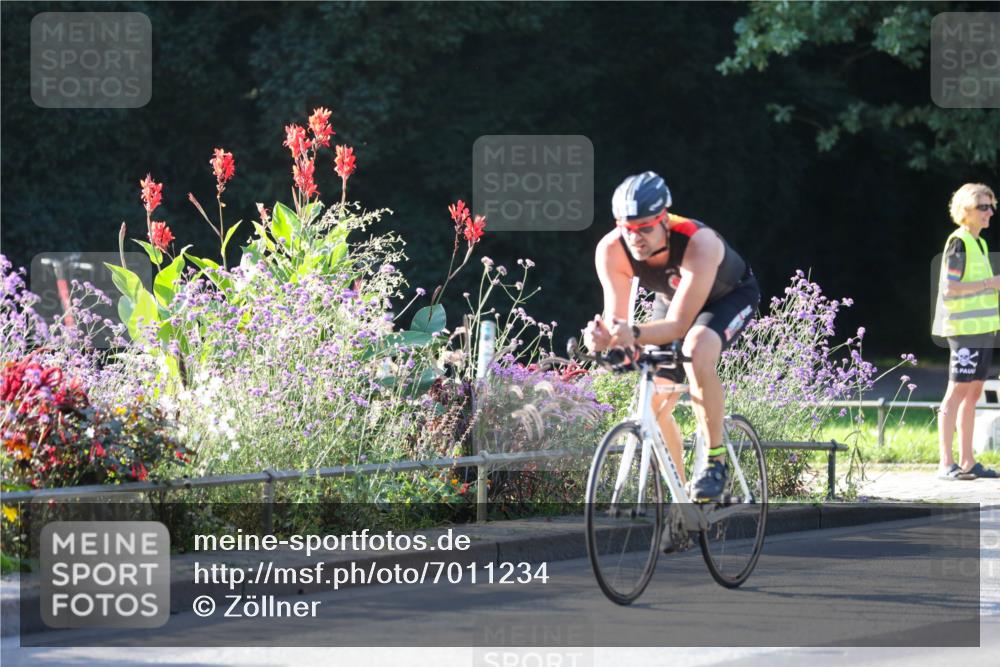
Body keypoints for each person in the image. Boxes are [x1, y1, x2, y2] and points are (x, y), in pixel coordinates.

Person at [583, 171, 760, 502]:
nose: (635, 237)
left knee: (696, 349)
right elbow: (618, 321)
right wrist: (604, 338)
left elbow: (679, 326)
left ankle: (715, 461)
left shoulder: (698, 242)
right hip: (673, 300)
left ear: (665, 219)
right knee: (653, 402)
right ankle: (682, 500)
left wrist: (632, 333)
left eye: (645, 227)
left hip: (728, 297)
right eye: (626, 228)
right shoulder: (611, 249)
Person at [932, 183, 1000, 480]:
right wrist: (990, 284)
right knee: (956, 393)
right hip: (963, 331)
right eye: (984, 207)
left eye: (992, 206)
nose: (990, 213)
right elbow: (951, 288)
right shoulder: (958, 242)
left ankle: (968, 461)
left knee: (973, 394)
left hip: (983, 330)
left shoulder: (980, 243)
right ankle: (946, 463)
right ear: (966, 210)